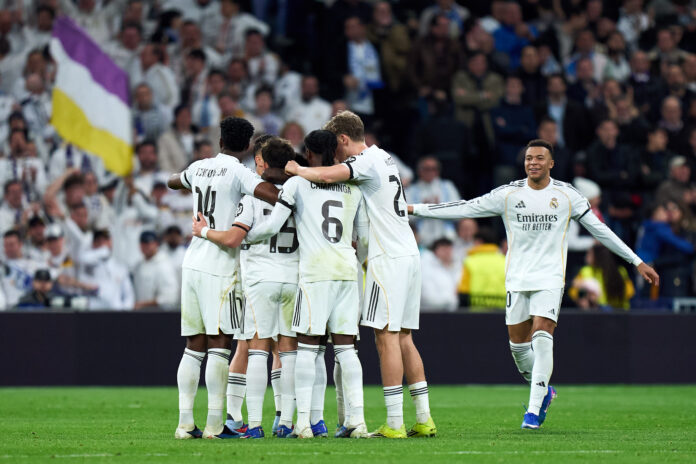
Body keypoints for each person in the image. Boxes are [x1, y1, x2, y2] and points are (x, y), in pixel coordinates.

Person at [408, 139, 659, 429]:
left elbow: (600, 230)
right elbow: (464, 207)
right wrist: (414, 209)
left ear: (551, 163)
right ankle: (544, 391)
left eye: (540, 158)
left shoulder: (566, 195)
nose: (533, 163)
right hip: (517, 279)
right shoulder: (509, 194)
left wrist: (636, 261)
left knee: (542, 335)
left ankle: (533, 409)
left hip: (550, 277)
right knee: (518, 349)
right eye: (529, 158)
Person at [196, 135, 369, 438]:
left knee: (259, 351)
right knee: (319, 351)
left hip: (267, 277)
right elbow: (361, 236)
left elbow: (271, 226)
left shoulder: (282, 190)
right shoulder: (350, 187)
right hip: (307, 274)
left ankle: (255, 424)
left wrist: (244, 239)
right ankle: (295, 422)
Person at [284, 111, 435, 439]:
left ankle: (394, 423)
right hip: (410, 253)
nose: (334, 157)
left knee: (386, 337)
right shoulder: (386, 158)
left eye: (335, 148)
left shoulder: (364, 161)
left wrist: (297, 169)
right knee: (405, 337)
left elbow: (328, 177)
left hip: (387, 258)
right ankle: (423, 417)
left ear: (342, 139)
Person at [166, 117, 280, 440]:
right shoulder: (240, 172)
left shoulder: (199, 167)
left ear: (219, 142)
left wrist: (181, 181)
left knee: (193, 347)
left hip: (192, 262)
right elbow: (271, 194)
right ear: (246, 147)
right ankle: (216, 425)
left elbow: (173, 180)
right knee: (219, 345)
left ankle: (185, 424)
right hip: (221, 267)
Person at [569, 244, 636, 310]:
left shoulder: (585, 271)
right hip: (620, 311)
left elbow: (573, 293)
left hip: (599, 312)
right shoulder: (621, 270)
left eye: (589, 254)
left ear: (597, 256)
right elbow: (630, 292)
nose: (586, 256)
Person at [132, 231, 178, 310]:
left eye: (149, 243)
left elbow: (170, 297)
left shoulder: (164, 265)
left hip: (159, 314)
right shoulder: (139, 265)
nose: (145, 246)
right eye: (143, 244)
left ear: (156, 244)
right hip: (141, 314)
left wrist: (143, 304)